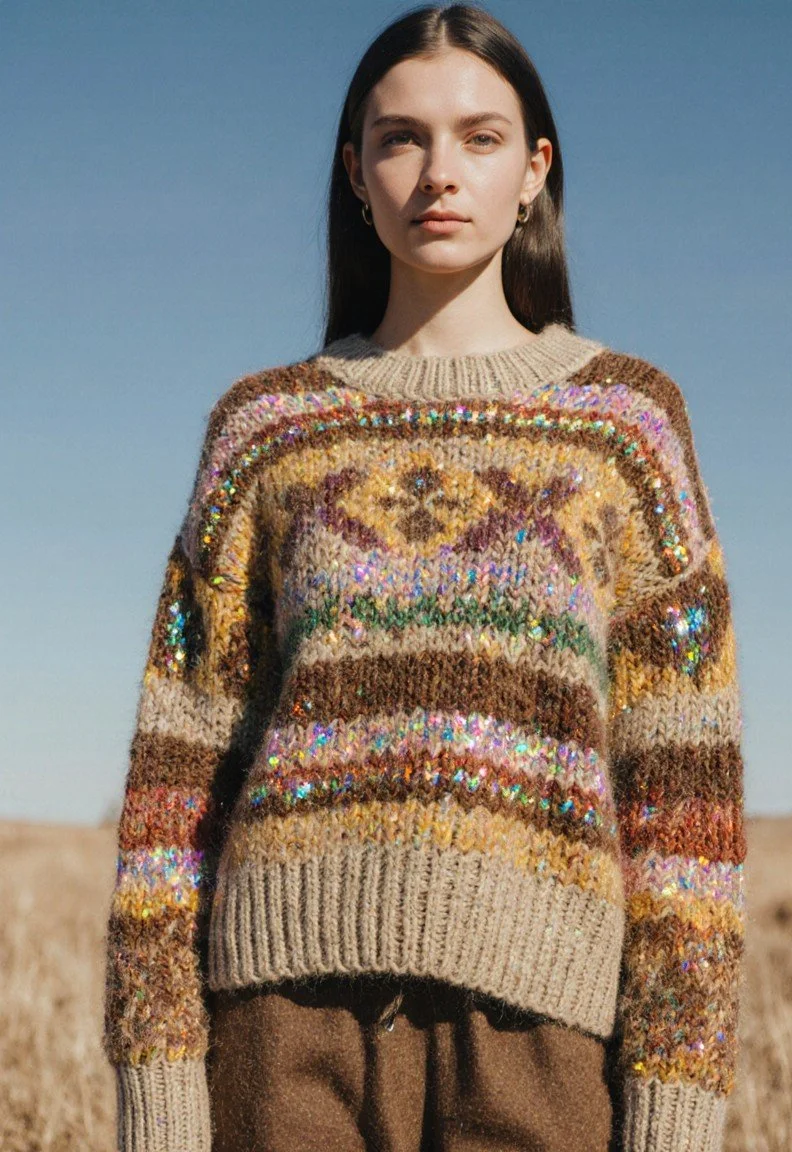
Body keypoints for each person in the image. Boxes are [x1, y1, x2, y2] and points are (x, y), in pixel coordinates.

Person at [101, 5, 748, 1151]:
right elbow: (175, 786)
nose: (438, 173)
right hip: (279, 1036)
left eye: (480, 137)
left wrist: (677, 1104)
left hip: (541, 1047)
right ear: (355, 173)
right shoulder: (265, 428)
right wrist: (158, 1088)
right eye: (399, 139)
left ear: (535, 171)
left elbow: (685, 801)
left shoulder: (628, 429)